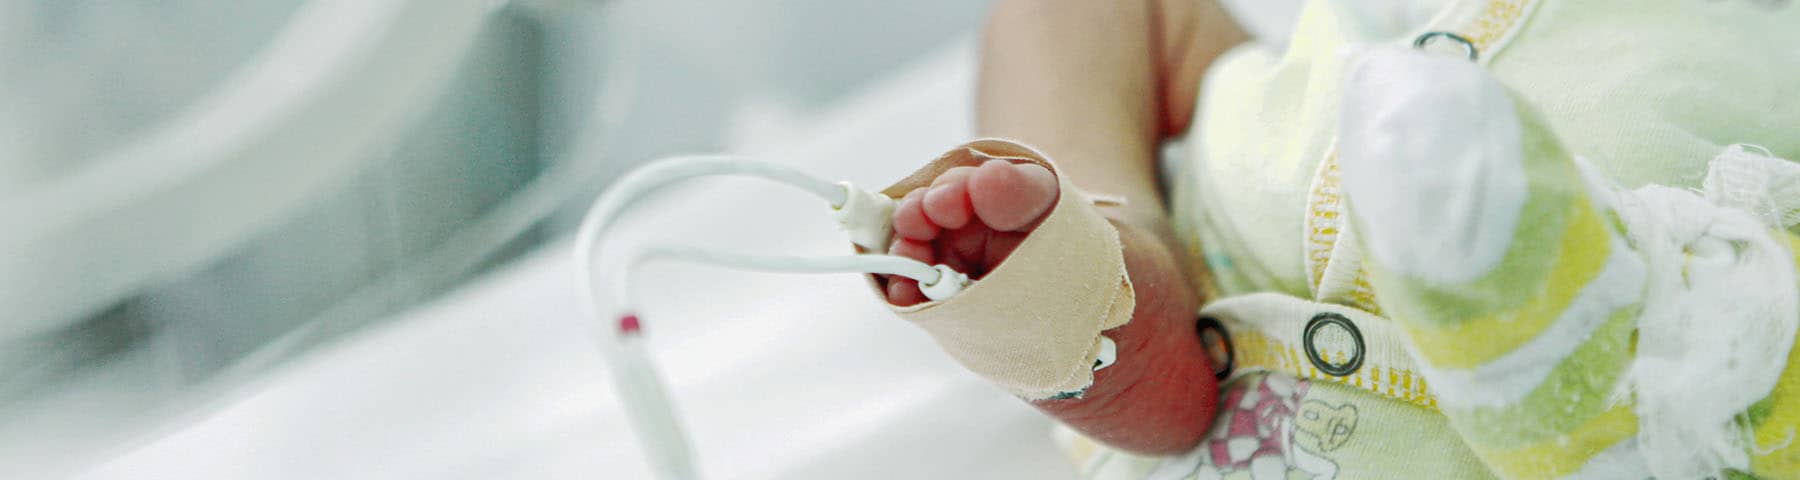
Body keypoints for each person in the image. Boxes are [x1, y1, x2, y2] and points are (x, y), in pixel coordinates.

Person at [874, 0, 1800, 478]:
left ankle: (1629, 392)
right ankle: (1101, 277)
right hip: (1227, 273)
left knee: (1733, 326)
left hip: (1690, 315)